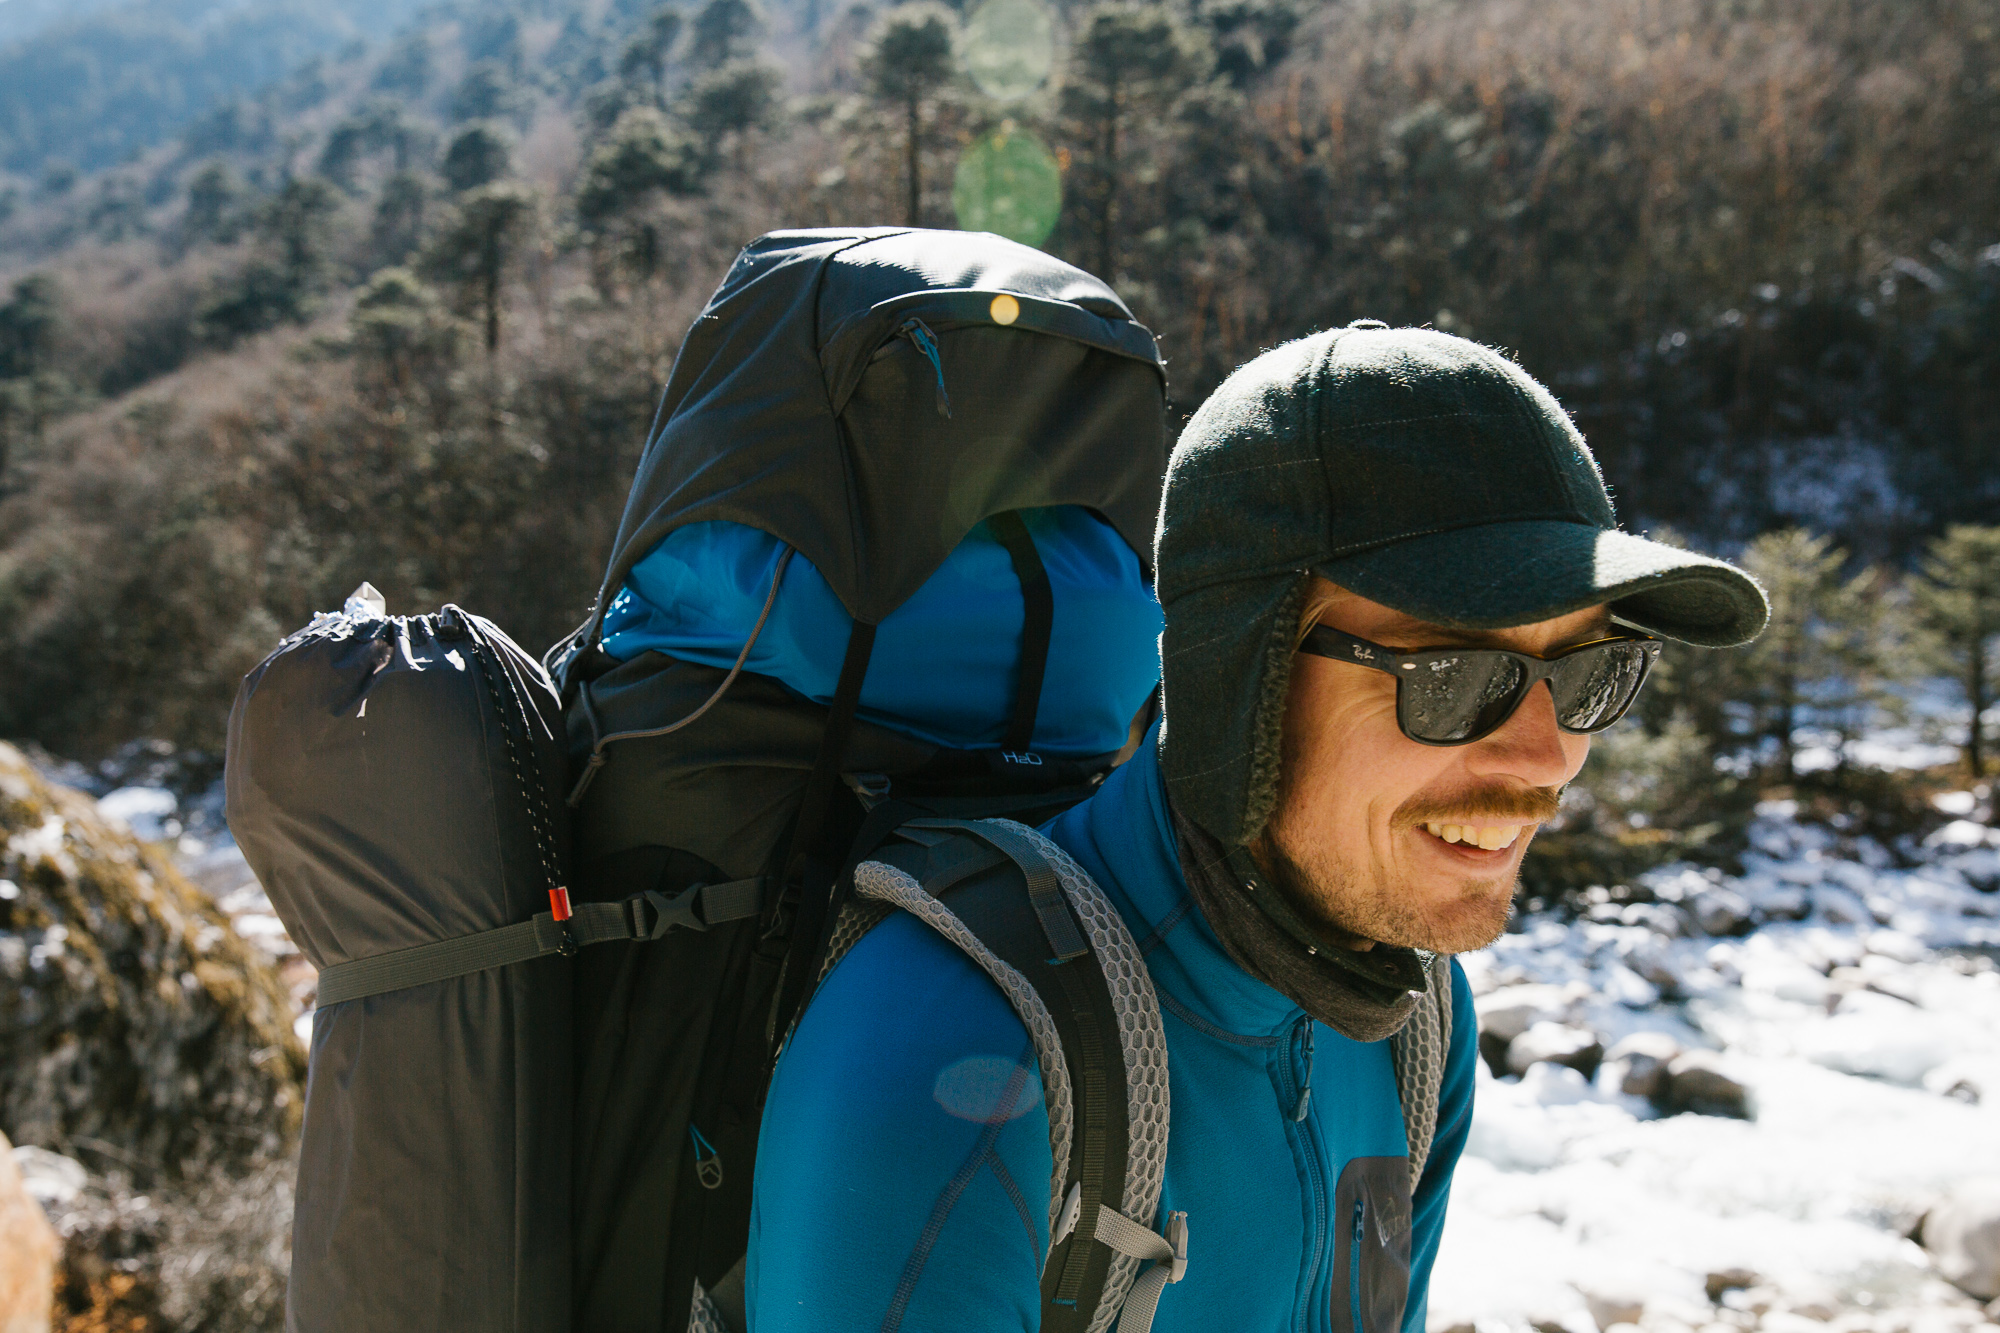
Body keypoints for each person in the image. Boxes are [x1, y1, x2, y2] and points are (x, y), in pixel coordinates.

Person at [745, 324, 1769, 1332]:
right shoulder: (948, 1052)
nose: (1545, 760)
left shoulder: (1412, 1019)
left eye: (1590, 674)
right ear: (1240, 673)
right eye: (1453, 677)